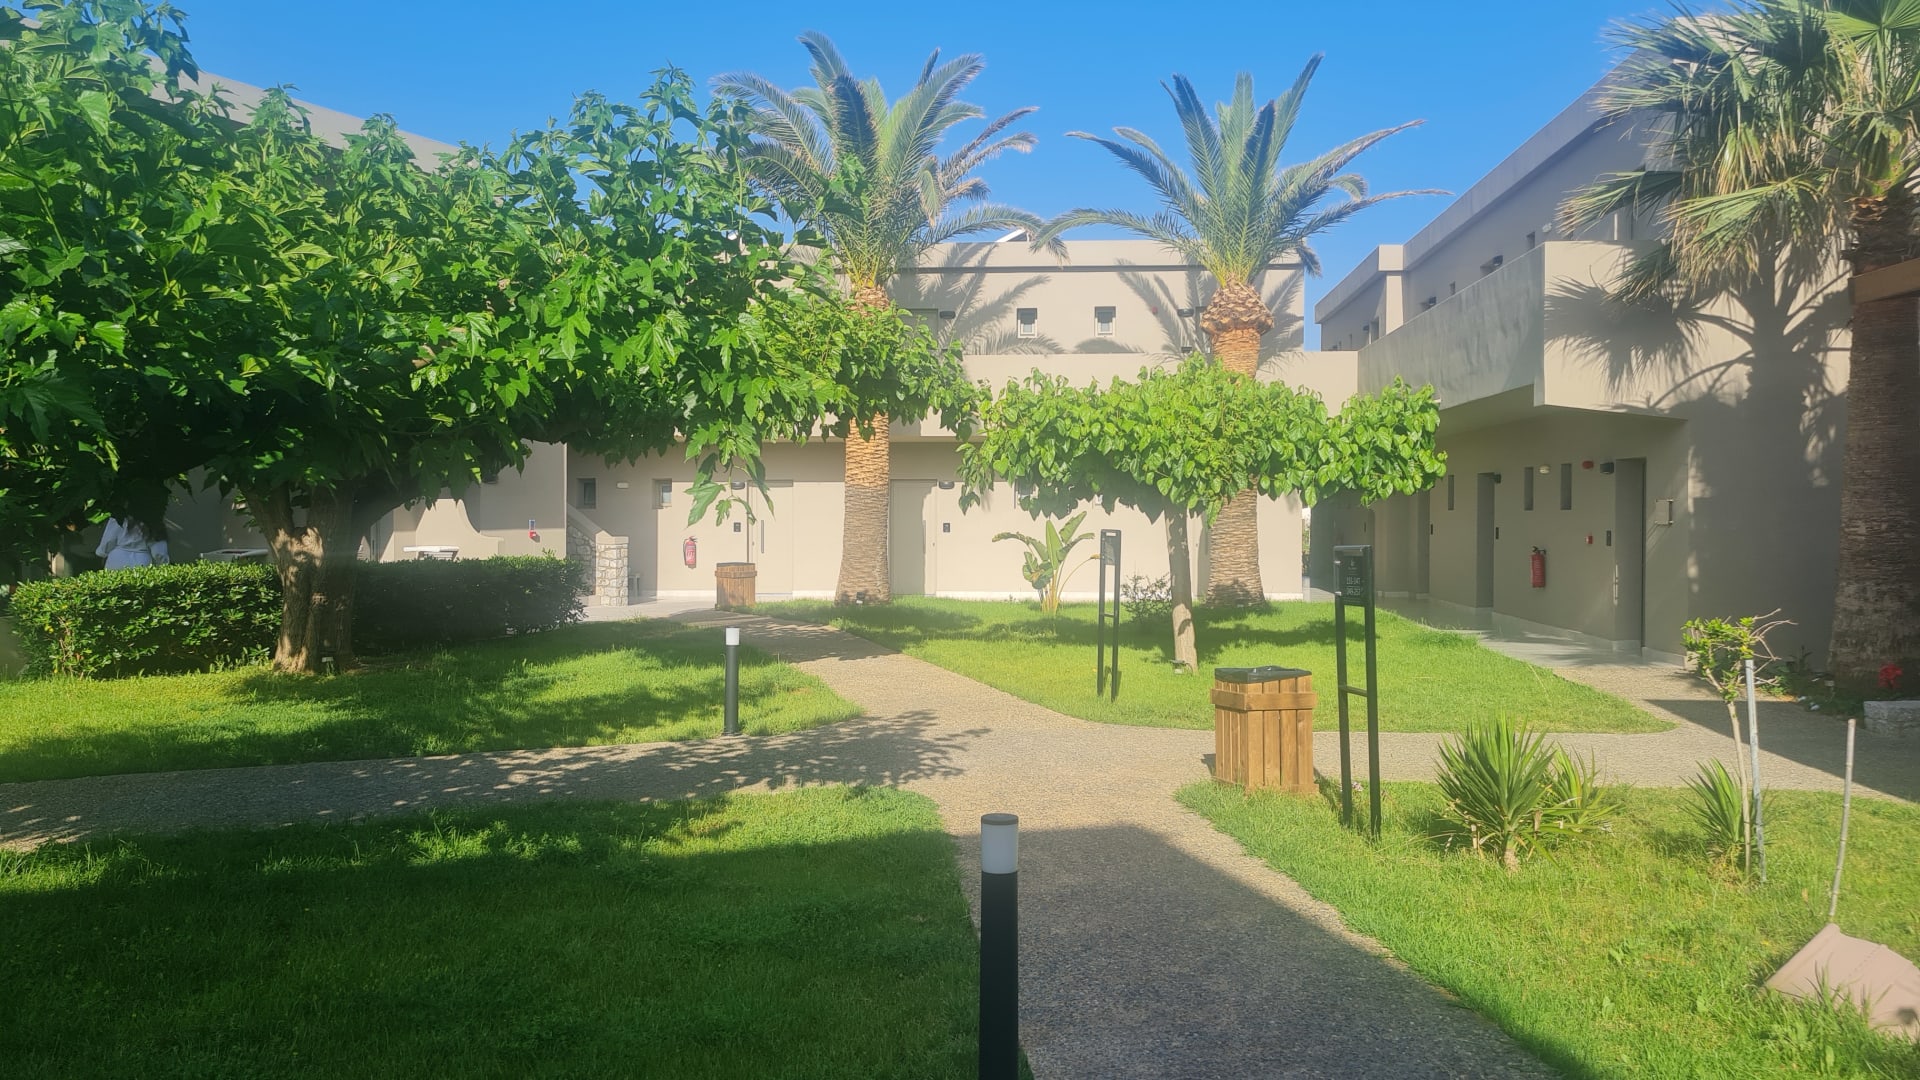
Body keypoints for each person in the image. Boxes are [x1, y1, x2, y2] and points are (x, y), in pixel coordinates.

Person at [95, 509, 170, 571]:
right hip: (141, 562)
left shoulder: (119, 516)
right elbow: (159, 552)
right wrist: (162, 566)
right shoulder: (154, 520)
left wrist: (102, 553)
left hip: (117, 560)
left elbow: (109, 540)